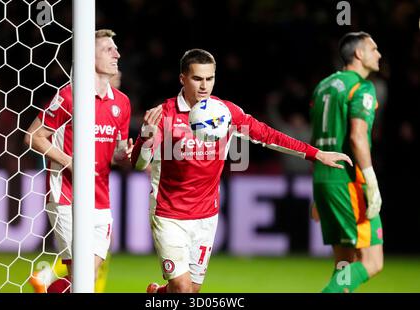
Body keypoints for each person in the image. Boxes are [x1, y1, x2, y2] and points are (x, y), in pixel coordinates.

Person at [131, 48, 352, 293]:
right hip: (169, 213)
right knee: (182, 289)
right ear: (182, 78)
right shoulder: (164, 115)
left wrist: (316, 154)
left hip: (206, 216)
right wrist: (145, 137)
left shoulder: (225, 113)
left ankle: (156, 294)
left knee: (190, 291)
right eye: (197, 78)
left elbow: (268, 136)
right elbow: (139, 164)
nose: (204, 86)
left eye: (210, 78)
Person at [24, 29, 132, 293]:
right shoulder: (69, 96)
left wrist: (128, 155)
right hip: (67, 197)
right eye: (108, 49)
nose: (117, 54)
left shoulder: (122, 103)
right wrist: (70, 162)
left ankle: (48, 286)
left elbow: (118, 154)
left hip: (100, 200)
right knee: (83, 280)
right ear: (88, 56)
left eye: (116, 48)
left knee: (87, 278)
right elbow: (33, 137)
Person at [310, 32, 383, 293]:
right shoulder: (361, 87)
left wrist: (317, 194)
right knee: (372, 262)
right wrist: (371, 180)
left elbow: (316, 140)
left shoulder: (323, 87)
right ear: (359, 54)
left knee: (344, 264)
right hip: (349, 183)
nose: (379, 54)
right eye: (373, 49)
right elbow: (357, 136)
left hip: (324, 180)